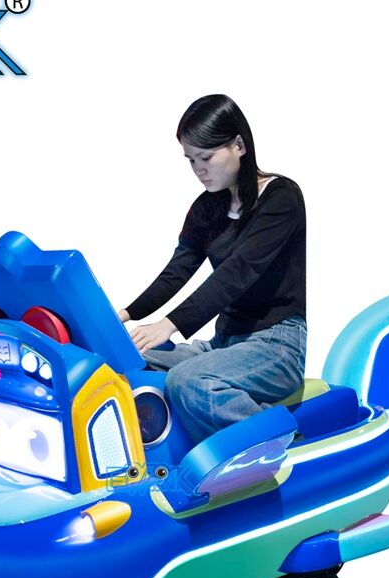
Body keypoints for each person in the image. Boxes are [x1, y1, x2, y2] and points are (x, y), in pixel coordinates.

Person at [117, 94, 306, 445]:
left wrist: (169, 324)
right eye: (191, 160)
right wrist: (124, 314)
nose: (198, 169)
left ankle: (288, 442)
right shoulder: (207, 208)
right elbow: (177, 271)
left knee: (188, 382)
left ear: (239, 145)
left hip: (277, 346)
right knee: (125, 359)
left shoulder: (281, 198)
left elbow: (236, 273)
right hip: (224, 344)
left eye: (206, 157)